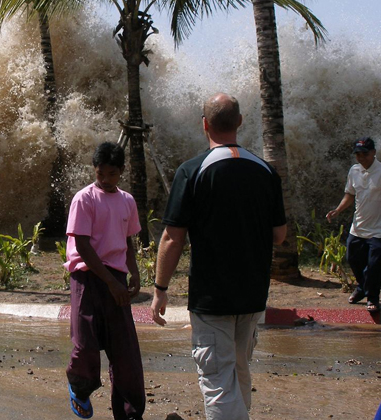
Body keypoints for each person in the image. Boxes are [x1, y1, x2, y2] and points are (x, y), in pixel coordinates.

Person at [151, 93, 287, 420]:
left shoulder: (192, 171)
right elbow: (280, 235)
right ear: (240, 122)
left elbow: (172, 237)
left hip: (212, 297)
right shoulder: (265, 172)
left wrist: (160, 288)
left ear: (204, 125)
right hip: (252, 295)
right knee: (239, 370)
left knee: (217, 378)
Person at [64, 141, 145, 420]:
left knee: (125, 352)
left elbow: (128, 241)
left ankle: (130, 412)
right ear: (94, 170)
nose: (106, 179)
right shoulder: (84, 199)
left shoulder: (127, 201)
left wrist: (133, 272)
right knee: (85, 344)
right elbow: (83, 246)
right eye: (101, 174)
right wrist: (111, 283)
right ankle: (80, 387)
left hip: (117, 277)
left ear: (121, 172)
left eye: (112, 174)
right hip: (87, 277)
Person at [326, 137, 381, 313]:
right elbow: (349, 194)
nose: (361, 158)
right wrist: (338, 210)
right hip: (358, 227)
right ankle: (362, 288)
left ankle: (373, 298)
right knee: (352, 259)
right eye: (358, 154)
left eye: (364, 154)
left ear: (374, 153)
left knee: (374, 264)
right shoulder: (354, 170)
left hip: (380, 229)